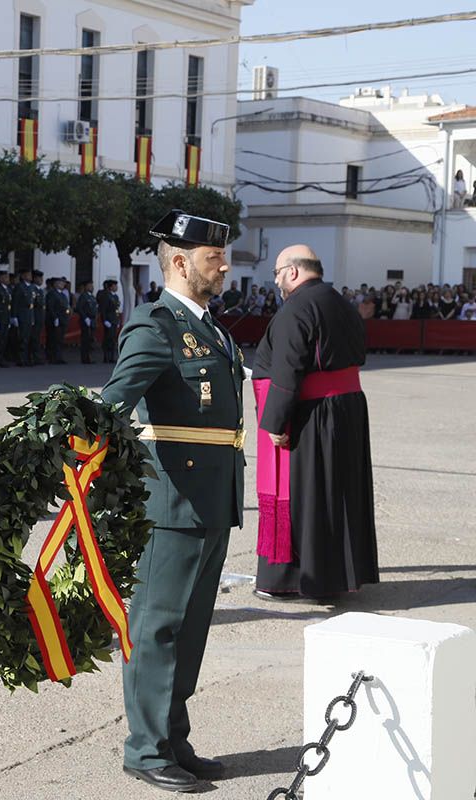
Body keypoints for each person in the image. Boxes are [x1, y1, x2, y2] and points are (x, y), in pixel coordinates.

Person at [100, 210, 245, 792]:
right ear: (180, 262)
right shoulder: (154, 325)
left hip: (213, 500)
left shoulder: (212, 326)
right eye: (215, 257)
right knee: (157, 628)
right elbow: (112, 403)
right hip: (172, 503)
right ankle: (145, 748)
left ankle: (172, 739)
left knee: (191, 630)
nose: (226, 265)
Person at [252, 245, 377, 602]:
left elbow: (287, 369)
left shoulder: (297, 307)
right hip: (347, 408)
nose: (276, 281)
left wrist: (274, 421)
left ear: (293, 271)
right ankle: (339, 576)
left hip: (313, 414)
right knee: (337, 495)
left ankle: (297, 580)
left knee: (307, 497)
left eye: (277, 273)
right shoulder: (341, 302)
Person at [11, 266, 36, 366]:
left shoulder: (31, 287)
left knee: (28, 338)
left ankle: (27, 358)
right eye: (28, 275)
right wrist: (14, 316)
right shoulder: (19, 287)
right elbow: (15, 302)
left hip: (29, 315)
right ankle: (20, 359)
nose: (30, 276)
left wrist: (32, 317)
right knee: (22, 339)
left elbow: (32, 304)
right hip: (22, 315)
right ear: (23, 276)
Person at [45, 277, 71, 364]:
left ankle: (59, 357)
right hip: (56, 319)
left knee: (60, 339)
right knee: (54, 339)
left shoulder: (62, 295)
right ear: (55, 284)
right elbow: (51, 307)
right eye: (61, 283)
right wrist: (55, 317)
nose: (63, 284)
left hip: (63, 319)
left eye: (63, 283)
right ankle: (52, 357)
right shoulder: (52, 293)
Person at [97, 278, 121, 363]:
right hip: (109, 320)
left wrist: (118, 320)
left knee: (113, 339)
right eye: (114, 286)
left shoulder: (115, 296)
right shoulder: (106, 296)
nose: (116, 287)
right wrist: (105, 320)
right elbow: (103, 309)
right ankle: (106, 356)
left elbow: (117, 309)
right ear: (110, 287)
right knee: (108, 339)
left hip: (114, 320)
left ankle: (111, 356)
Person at [75, 280, 98, 364]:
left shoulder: (92, 297)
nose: (92, 287)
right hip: (86, 320)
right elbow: (79, 308)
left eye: (92, 285)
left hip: (92, 320)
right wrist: (85, 318)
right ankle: (85, 358)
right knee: (85, 340)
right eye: (89, 285)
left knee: (91, 340)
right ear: (85, 287)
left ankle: (89, 357)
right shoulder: (83, 296)